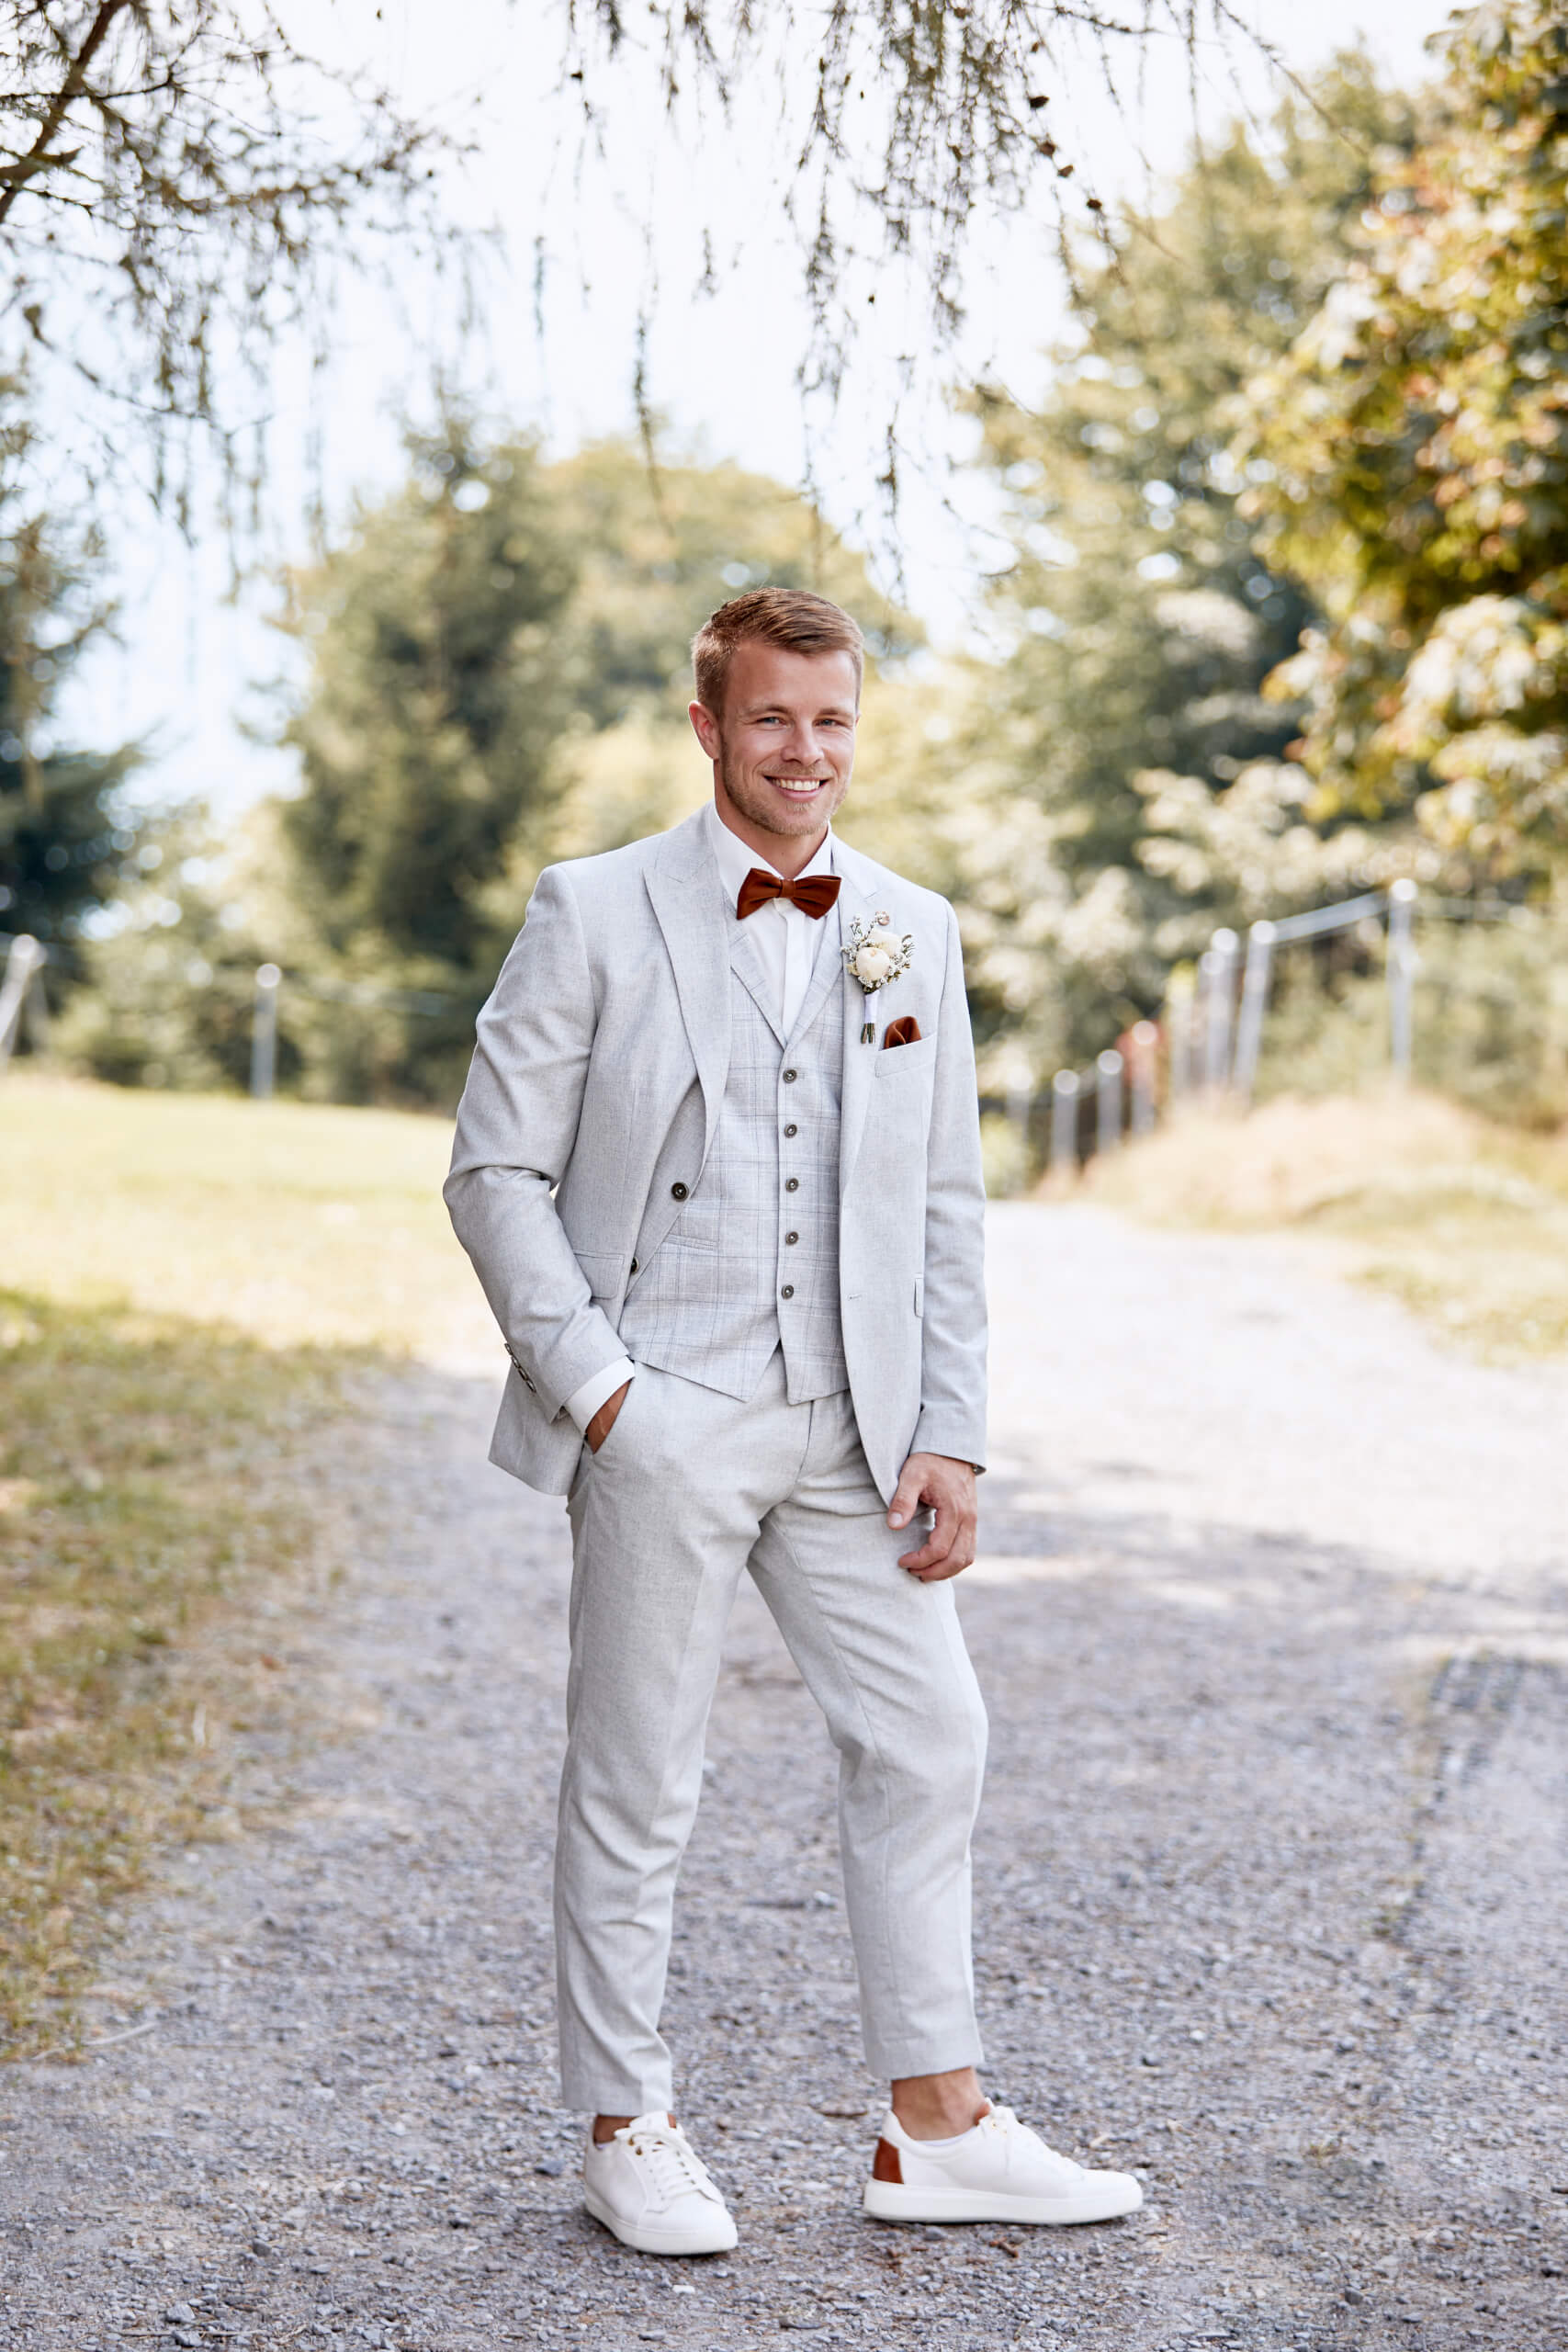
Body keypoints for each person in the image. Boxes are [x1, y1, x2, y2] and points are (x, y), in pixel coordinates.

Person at [445, 587, 1141, 2254]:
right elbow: (494, 1171)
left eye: (832, 722)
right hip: (663, 1408)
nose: (805, 753)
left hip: (853, 1428)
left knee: (930, 1738)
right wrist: (604, 1393)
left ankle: (938, 2128)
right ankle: (626, 2123)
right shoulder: (593, 908)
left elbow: (947, 1203)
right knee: (640, 1775)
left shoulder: (914, 926)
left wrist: (950, 1428)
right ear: (708, 727)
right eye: (772, 720)